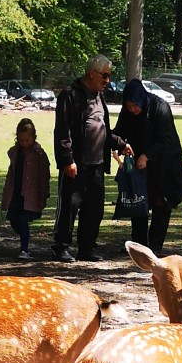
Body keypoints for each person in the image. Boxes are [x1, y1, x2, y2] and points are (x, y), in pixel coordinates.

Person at [52, 55, 128, 263]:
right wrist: (67, 159)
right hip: (76, 163)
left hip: (97, 164)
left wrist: (120, 144)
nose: (107, 81)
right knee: (69, 206)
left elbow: (102, 129)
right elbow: (62, 131)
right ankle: (61, 246)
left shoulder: (99, 96)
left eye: (109, 76)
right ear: (92, 73)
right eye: (104, 76)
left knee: (94, 209)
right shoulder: (69, 95)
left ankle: (87, 248)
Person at [113, 78, 182, 254]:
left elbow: (165, 139)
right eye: (129, 106)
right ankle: (138, 244)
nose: (133, 109)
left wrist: (147, 156)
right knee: (138, 202)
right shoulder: (128, 112)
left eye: (135, 105)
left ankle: (154, 246)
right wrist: (119, 145)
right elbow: (119, 132)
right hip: (140, 166)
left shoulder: (159, 107)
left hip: (164, 164)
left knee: (160, 205)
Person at [1, 116, 51, 260]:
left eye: (27, 140)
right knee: (13, 219)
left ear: (33, 138)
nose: (24, 144)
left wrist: (43, 195)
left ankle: (24, 248)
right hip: (16, 192)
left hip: (30, 193)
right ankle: (25, 237)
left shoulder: (39, 155)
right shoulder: (15, 153)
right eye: (21, 140)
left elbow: (44, 175)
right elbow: (12, 173)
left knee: (22, 220)